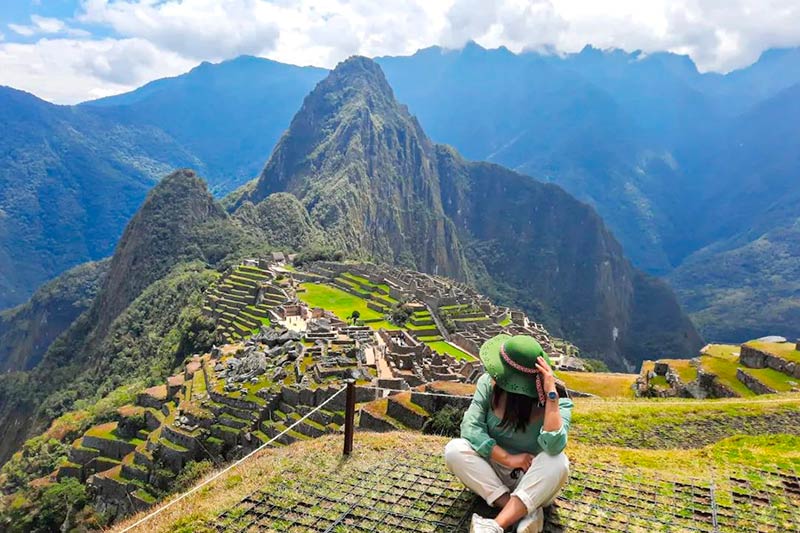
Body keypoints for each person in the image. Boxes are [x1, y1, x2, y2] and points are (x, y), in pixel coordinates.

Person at [443, 334, 573, 533]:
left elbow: (554, 445)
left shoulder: (557, 400)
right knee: (454, 450)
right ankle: (523, 512)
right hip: (492, 468)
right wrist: (508, 459)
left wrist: (551, 397)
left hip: (532, 478)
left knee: (558, 462)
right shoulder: (488, 385)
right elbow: (471, 427)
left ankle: (495, 526)